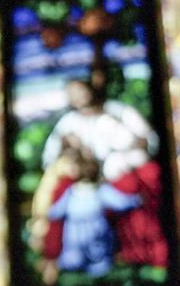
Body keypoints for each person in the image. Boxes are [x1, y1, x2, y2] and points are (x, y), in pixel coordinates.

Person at [40, 76, 167, 270]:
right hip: (86, 182)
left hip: (123, 172)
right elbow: (52, 156)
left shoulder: (118, 111)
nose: (79, 97)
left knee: (142, 183)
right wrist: (75, 155)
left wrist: (125, 151)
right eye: (73, 94)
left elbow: (148, 141)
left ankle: (144, 252)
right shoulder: (68, 123)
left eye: (81, 90)